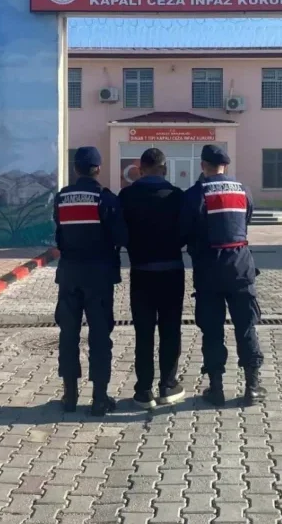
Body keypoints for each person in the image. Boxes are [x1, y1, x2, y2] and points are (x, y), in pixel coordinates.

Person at [179, 145, 264, 407]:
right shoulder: (243, 190)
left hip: (208, 271)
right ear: (225, 166)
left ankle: (216, 388)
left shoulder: (196, 193)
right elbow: (245, 221)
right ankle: (252, 387)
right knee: (246, 326)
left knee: (212, 330)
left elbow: (186, 230)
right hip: (240, 268)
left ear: (203, 165)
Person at [53, 146, 128, 416]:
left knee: (68, 334)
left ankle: (69, 397)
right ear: (98, 168)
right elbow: (121, 237)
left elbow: (59, 235)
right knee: (99, 335)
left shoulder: (61, 198)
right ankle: (99, 398)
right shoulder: (105, 198)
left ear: (76, 169)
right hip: (99, 276)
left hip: (70, 274)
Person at [117, 148, 186, 409]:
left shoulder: (126, 196)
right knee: (170, 330)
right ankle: (168, 386)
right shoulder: (177, 197)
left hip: (141, 272)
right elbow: (186, 232)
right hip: (171, 271)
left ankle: (143, 390)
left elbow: (120, 234)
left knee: (143, 331)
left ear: (141, 169)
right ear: (165, 169)